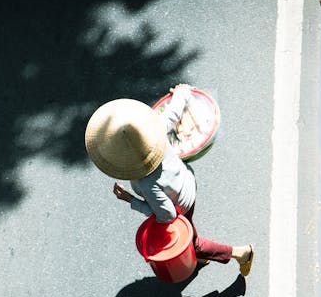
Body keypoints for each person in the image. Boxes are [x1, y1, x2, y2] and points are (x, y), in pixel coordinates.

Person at [84, 84, 254, 276]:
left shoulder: (145, 183)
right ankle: (201, 255)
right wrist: (182, 92)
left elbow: (168, 215)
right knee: (193, 237)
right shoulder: (153, 132)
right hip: (186, 181)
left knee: (193, 244)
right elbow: (173, 113)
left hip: (182, 204)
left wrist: (131, 201)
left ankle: (241, 253)